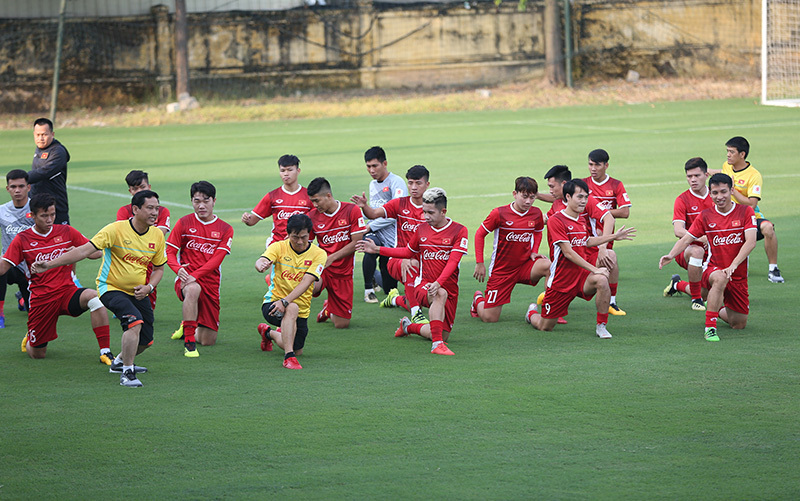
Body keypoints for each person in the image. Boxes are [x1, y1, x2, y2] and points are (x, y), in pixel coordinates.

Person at [31, 190, 166, 387]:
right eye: (150, 208)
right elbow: (84, 250)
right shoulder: (115, 230)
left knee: (145, 340)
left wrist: (149, 287)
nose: (155, 212)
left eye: (157, 208)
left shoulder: (157, 235)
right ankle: (127, 373)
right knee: (134, 323)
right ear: (135, 209)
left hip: (138, 292)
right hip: (110, 288)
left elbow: (159, 268)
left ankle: (119, 362)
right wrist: (50, 263)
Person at [358, 187, 468, 356]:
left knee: (440, 333)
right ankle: (437, 346)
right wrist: (378, 249)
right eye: (424, 212)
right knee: (440, 294)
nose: (426, 217)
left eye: (430, 213)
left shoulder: (459, 231)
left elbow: (453, 262)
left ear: (443, 211)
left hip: (449, 288)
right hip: (424, 286)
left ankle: (408, 326)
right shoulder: (422, 229)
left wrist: (438, 282)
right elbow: (407, 252)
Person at [3, 193, 112, 363]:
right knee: (38, 355)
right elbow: (4, 267)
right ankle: (32, 338)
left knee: (94, 298)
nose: (49, 219)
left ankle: (105, 352)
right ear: (32, 215)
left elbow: (96, 253)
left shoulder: (66, 231)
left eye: (52, 214)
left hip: (67, 292)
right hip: (42, 299)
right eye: (44, 215)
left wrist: (76, 251)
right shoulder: (22, 239)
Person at [525, 180, 635, 338]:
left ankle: (601, 326)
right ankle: (531, 314)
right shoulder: (556, 220)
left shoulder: (581, 220)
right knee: (545, 326)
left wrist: (613, 237)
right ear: (568, 197)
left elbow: (587, 241)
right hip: (561, 282)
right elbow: (568, 253)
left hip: (581, 277)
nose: (584, 201)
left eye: (585, 197)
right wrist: (595, 269)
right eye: (579, 197)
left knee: (602, 281)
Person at [659, 173, 757, 342]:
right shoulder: (706, 215)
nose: (719, 197)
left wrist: (733, 265)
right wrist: (671, 254)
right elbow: (687, 238)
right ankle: (710, 327)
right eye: (715, 193)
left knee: (738, 323)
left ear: (731, 190)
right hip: (713, 269)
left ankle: (681, 286)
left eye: (723, 192)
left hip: (738, 275)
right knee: (720, 277)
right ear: (710, 193)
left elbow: (751, 242)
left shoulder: (745, 211)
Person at [351, 164, 429, 323]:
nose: (413, 187)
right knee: (411, 265)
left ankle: (394, 299)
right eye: (410, 183)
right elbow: (373, 214)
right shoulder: (400, 204)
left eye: (418, 183)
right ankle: (416, 315)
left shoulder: (431, 208)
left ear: (427, 185)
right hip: (399, 259)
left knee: (429, 298)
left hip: (424, 262)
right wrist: (365, 206)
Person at [539, 165, 617, 322]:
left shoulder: (583, 201)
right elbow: (548, 222)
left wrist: (603, 246)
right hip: (562, 261)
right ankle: (549, 305)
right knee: (546, 325)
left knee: (610, 256)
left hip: (586, 253)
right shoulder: (557, 207)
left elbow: (609, 217)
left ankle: (611, 303)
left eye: (552, 187)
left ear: (564, 185)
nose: (550, 191)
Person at [166, 181, 233, 358]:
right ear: (191, 201)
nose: (201, 205)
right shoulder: (184, 223)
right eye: (196, 201)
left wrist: (195, 275)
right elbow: (170, 251)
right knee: (193, 289)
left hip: (210, 282)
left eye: (206, 200)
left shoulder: (226, 229)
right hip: (186, 280)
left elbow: (216, 261)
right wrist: (178, 269)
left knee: (208, 341)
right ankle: (189, 342)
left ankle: (188, 323)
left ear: (214, 201)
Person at [471, 176, 550, 323]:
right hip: (502, 271)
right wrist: (480, 262)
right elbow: (479, 234)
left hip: (524, 265)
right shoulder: (499, 213)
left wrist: (534, 250)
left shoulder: (536, 213)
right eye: (524, 196)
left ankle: (548, 311)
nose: (528, 201)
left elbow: (538, 231)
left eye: (532, 197)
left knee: (549, 266)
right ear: (515, 194)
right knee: (490, 318)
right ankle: (478, 299)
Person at [255, 213, 327, 370]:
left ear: (309, 234)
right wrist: (260, 264)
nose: (300, 242)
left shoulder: (319, 254)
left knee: (298, 349)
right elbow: (262, 259)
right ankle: (289, 358)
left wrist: (285, 301)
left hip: (299, 309)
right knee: (292, 308)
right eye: (295, 237)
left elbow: (307, 282)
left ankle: (269, 333)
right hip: (273, 304)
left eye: (304, 237)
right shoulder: (278, 247)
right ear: (288, 234)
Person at [707, 136, 783, 283]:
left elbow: (752, 204)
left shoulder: (754, 176)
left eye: (731, 152)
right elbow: (723, 173)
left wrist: (733, 190)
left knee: (768, 228)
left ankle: (773, 269)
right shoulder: (726, 166)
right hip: (729, 217)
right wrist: (707, 171)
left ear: (742, 154)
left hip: (749, 217)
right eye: (727, 151)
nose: (728, 155)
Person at [307, 177, 367, 329]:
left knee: (341, 325)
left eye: (316, 200)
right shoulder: (312, 217)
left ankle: (329, 310)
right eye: (312, 201)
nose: (314, 205)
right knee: (309, 286)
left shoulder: (351, 210)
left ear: (328, 196)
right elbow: (306, 243)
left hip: (344, 273)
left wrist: (332, 257)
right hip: (323, 268)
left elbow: (357, 242)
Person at [355, 146, 407, 303]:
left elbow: (395, 214)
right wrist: (364, 209)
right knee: (369, 246)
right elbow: (374, 210)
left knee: (389, 287)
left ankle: (373, 277)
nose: (371, 170)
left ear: (385, 163)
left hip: (393, 239)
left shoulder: (396, 182)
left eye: (374, 166)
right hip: (376, 234)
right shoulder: (373, 184)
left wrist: (370, 225)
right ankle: (368, 290)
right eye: (368, 166)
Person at [583, 149, 632, 315]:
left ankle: (611, 301)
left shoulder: (615, 185)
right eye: (590, 164)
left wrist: (601, 211)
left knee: (610, 260)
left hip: (605, 236)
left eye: (597, 165)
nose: (593, 168)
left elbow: (625, 212)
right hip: (585, 236)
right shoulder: (582, 184)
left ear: (606, 165)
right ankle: (553, 292)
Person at [663, 157, 714, 311]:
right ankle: (696, 299)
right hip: (687, 249)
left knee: (711, 293)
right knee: (697, 250)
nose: (693, 180)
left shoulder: (717, 196)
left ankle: (677, 284)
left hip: (713, 251)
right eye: (689, 176)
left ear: (706, 175)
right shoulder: (682, 199)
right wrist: (700, 238)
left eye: (697, 176)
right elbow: (678, 231)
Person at [116, 170, 171, 312]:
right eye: (134, 189)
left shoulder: (162, 211)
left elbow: (159, 234)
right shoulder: (124, 210)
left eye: (142, 187)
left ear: (149, 187)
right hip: (129, 257)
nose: (138, 191)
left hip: (150, 255)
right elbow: (122, 235)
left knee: (148, 301)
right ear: (130, 191)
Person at [242, 154, 311, 249]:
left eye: (290, 170)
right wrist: (247, 219)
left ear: (298, 171)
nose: (286, 174)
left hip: (300, 246)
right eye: (282, 170)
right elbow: (252, 221)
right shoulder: (272, 196)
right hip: (277, 246)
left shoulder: (308, 196)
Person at [0, 169, 35, 326]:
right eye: (13, 187)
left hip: (31, 267)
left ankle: (22, 298)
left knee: (33, 313)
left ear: (28, 187)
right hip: (9, 264)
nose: (17, 190)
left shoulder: (37, 210)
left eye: (21, 186)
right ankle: (0, 314)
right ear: (7, 189)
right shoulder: (2, 210)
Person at [28, 118, 70, 225]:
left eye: (44, 134)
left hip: (56, 207)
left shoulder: (58, 152)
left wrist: (23, 178)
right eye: (37, 135)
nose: (40, 138)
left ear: (52, 134)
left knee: (62, 239)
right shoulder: (39, 149)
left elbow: (44, 172)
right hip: (38, 206)